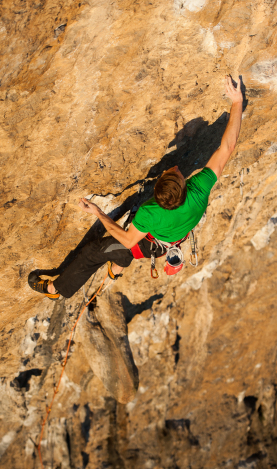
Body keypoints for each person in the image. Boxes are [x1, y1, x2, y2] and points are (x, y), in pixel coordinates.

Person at [28, 75, 243, 300]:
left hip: (148, 244)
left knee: (94, 252)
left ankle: (55, 290)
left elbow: (128, 240)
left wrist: (98, 212)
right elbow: (228, 147)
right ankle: (116, 269)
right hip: (166, 241)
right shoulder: (199, 190)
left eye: (174, 172)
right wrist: (237, 102)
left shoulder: (150, 212)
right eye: (177, 172)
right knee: (123, 250)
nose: (177, 167)